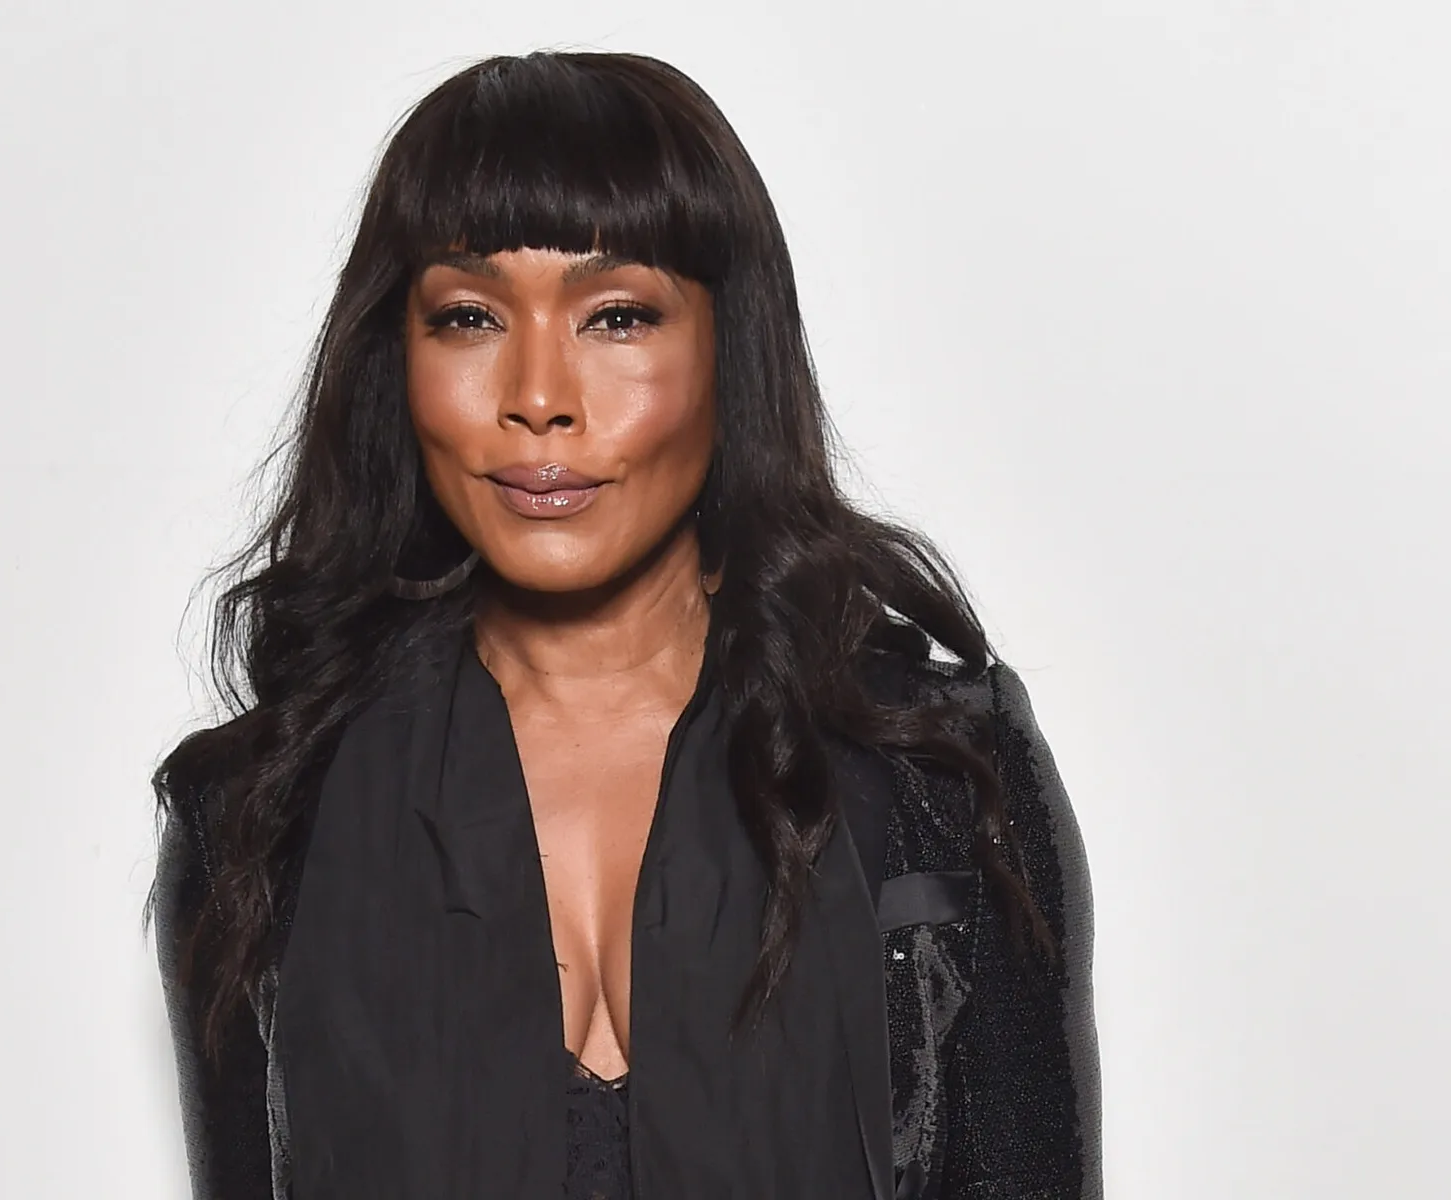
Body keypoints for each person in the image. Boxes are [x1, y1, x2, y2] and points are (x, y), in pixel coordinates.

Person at [150, 50, 1099, 1200]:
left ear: (728, 349)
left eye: (616, 316)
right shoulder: (255, 814)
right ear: (396, 359)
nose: (539, 397)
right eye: (468, 316)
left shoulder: (942, 777)